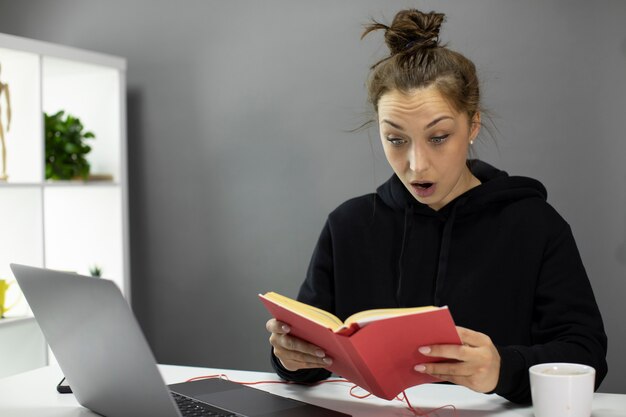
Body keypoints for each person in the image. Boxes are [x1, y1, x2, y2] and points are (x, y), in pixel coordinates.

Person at [265, 8, 607, 404]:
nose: (417, 165)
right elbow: (310, 354)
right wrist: (289, 357)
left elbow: (587, 355)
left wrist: (502, 369)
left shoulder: (534, 225)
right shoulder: (348, 225)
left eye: (439, 136)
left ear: (473, 125)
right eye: (395, 140)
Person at [0, 62, 12, 181]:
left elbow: (9, 106)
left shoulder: (4, 86)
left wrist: (9, 121)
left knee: (3, 143)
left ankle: (4, 170)